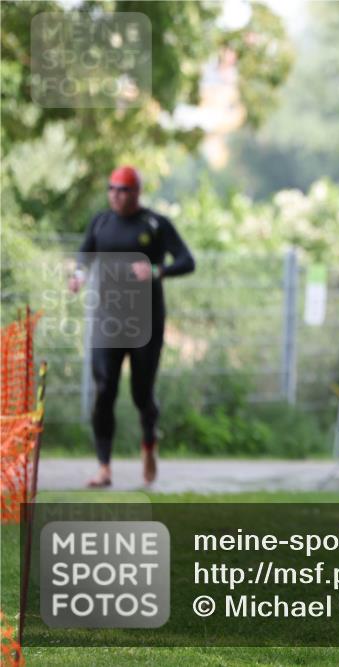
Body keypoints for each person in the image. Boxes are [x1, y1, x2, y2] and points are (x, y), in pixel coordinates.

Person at [68, 166, 195, 487]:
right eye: (112, 188)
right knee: (104, 388)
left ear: (136, 193)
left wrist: (156, 271)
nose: (116, 195)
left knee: (141, 394)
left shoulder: (154, 224)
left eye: (123, 190)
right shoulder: (101, 222)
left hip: (145, 322)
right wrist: (79, 276)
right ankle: (104, 467)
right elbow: (85, 255)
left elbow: (186, 260)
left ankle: (149, 443)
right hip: (107, 320)